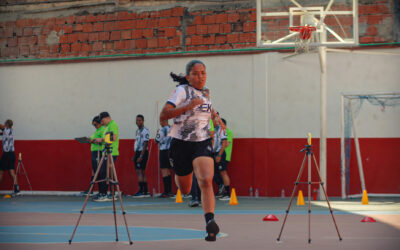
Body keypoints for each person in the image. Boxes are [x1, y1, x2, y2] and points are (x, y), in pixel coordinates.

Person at [160, 60, 225, 242]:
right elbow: (163, 116)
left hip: (201, 141)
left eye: (203, 72)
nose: (200, 76)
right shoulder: (182, 91)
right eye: (196, 73)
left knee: (205, 179)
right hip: (180, 144)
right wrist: (188, 106)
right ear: (188, 77)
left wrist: (216, 117)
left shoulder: (205, 94)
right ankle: (181, 177)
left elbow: (208, 109)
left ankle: (210, 221)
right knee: (186, 188)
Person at [92, 112, 119, 202]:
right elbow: (107, 139)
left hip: (112, 152)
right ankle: (106, 193)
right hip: (106, 151)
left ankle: (106, 194)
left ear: (107, 118)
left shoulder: (113, 125)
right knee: (105, 172)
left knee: (106, 172)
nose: (102, 123)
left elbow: (113, 138)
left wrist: (101, 139)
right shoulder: (106, 127)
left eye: (103, 120)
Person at [81, 115, 105, 196]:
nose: (95, 126)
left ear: (100, 123)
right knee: (95, 171)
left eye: (95, 124)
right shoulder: (97, 130)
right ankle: (93, 190)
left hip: (99, 151)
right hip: (94, 152)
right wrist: (89, 140)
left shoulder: (102, 130)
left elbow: (102, 141)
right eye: (93, 125)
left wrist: (92, 140)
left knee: (99, 172)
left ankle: (102, 191)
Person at [133, 114, 150, 197]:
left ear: (143, 121)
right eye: (137, 120)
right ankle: (145, 191)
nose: (138, 122)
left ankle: (142, 190)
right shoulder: (137, 131)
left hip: (142, 152)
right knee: (139, 171)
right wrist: (135, 154)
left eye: (140, 120)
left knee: (140, 171)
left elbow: (145, 143)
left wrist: (141, 156)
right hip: (137, 152)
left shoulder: (145, 131)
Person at [155, 119, 173, 198]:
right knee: (169, 171)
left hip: (163, 151)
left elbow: (156, 140)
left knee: (164, 171)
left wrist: (157, 134)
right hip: (170, 150)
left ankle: (166, 191)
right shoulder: (171, 128)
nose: (160, 123)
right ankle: (170, 191)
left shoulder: (162, 130)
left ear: (163, 121)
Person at [0, 119, 19, 194]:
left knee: (1, 172)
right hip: (12, 154)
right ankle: (17, 189)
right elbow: (4, 134)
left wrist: (2, 126)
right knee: (12, 172)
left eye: (5, 123)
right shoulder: (11, 130)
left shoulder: (6, 129)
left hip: (6, 154)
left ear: (7, 124)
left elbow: (1, 127)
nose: (4, 124)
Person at [215, 118, 231, 201]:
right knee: (215, 173)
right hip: (215, 154)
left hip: (221, 154)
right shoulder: (214, 130)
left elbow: (226, 143)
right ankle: (222, 189)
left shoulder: (223, 130)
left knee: (223, 172)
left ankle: (228, 194)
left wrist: (219, 154)